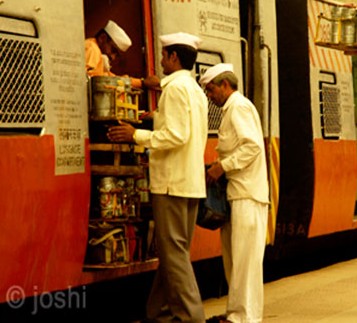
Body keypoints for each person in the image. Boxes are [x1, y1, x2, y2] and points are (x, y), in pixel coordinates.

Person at [107, 32, 208, 323]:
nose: (161, 60)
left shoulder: (175, 90)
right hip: (189, 182)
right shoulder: (194, 90)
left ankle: (192, 317)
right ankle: (158, 312)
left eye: (164, 55)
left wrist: (136, 134)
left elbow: (177, 135)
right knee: (173, 251)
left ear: (174, 57)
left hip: (172, 183)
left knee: (174, 254)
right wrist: (154, 119)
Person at [199, 64, 269, 323]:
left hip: (247, 196)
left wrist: (221, 166)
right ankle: (238, 313)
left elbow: (252, 147)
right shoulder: (232, 109)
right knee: (236, 260)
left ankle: (243, 317)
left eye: (212, 89)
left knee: (245, 261)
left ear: (225, 85)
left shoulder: (238, 107)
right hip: (238, 194)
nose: (210, 95)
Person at [85, 19, 160, 90]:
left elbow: (110, 79)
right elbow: (91, 80)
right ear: (102, 38)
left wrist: (142, 82)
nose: (113, 57)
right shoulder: (93, 49)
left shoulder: (93, 48)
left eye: (117, 55)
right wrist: (142, 82)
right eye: (113, 50)